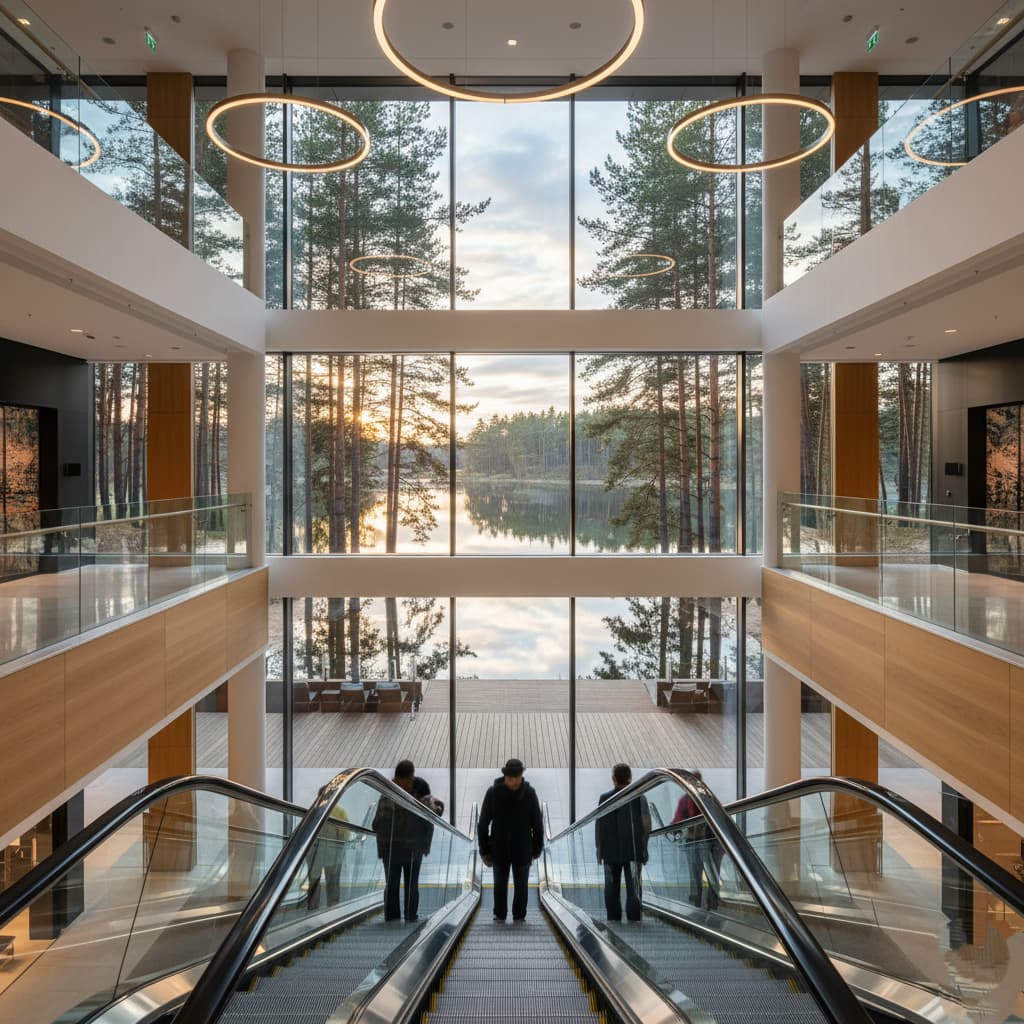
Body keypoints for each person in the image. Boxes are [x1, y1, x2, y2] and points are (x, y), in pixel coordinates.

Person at [478, 758, 544, 922]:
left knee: (521, 886)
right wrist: (484, 850)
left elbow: (537, 823)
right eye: (510, 777)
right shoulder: (493, 793)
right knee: (499, 885)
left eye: (516, 777)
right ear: (505, 776)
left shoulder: (530, 793)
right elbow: (483, 823)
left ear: (522, 776)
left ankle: (519, 916)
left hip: (522, 849)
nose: (513, 781)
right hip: (499, 848)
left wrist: (537, 848)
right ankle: (499, 915)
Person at [373, 759, 434, 921]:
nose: (409, 783)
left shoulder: (418, 788)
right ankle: (398, 916)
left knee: (406, 884)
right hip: (394, 848)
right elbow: (378, 823)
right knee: (396, 884)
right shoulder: (388, 793)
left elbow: (431, 815)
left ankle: (407, 916)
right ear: (399, 778)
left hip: (408, 848)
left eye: (410, 780)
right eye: (407, 780)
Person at [596, 763, 651, 922]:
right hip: (633, 850)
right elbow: (646, 824)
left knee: (611, 887)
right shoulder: (639, 797)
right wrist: (644, 848)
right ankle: (634, 918)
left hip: (610, 852)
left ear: (613, 778)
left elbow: (599, 826)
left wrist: (599, 850)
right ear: (630, 777)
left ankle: (613, 919)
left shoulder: (604, 798)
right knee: (634, 887)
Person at [671, 769, 721, 910]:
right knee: (710, 872)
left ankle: (698, 901)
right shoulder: (708, 798)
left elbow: (677, 819)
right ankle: (710, 901)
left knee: (696, 873)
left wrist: (674, 829)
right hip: (705, 841)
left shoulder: (687, 799)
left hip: (697, 841)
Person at [306, 800, 352, 909]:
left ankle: (312, 907)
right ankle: (332, 907)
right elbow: (344, 834)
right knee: (332, 882)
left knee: (313, 881)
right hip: (333, 853)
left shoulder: (314, 809)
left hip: (314, 853)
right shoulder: (339, 810)